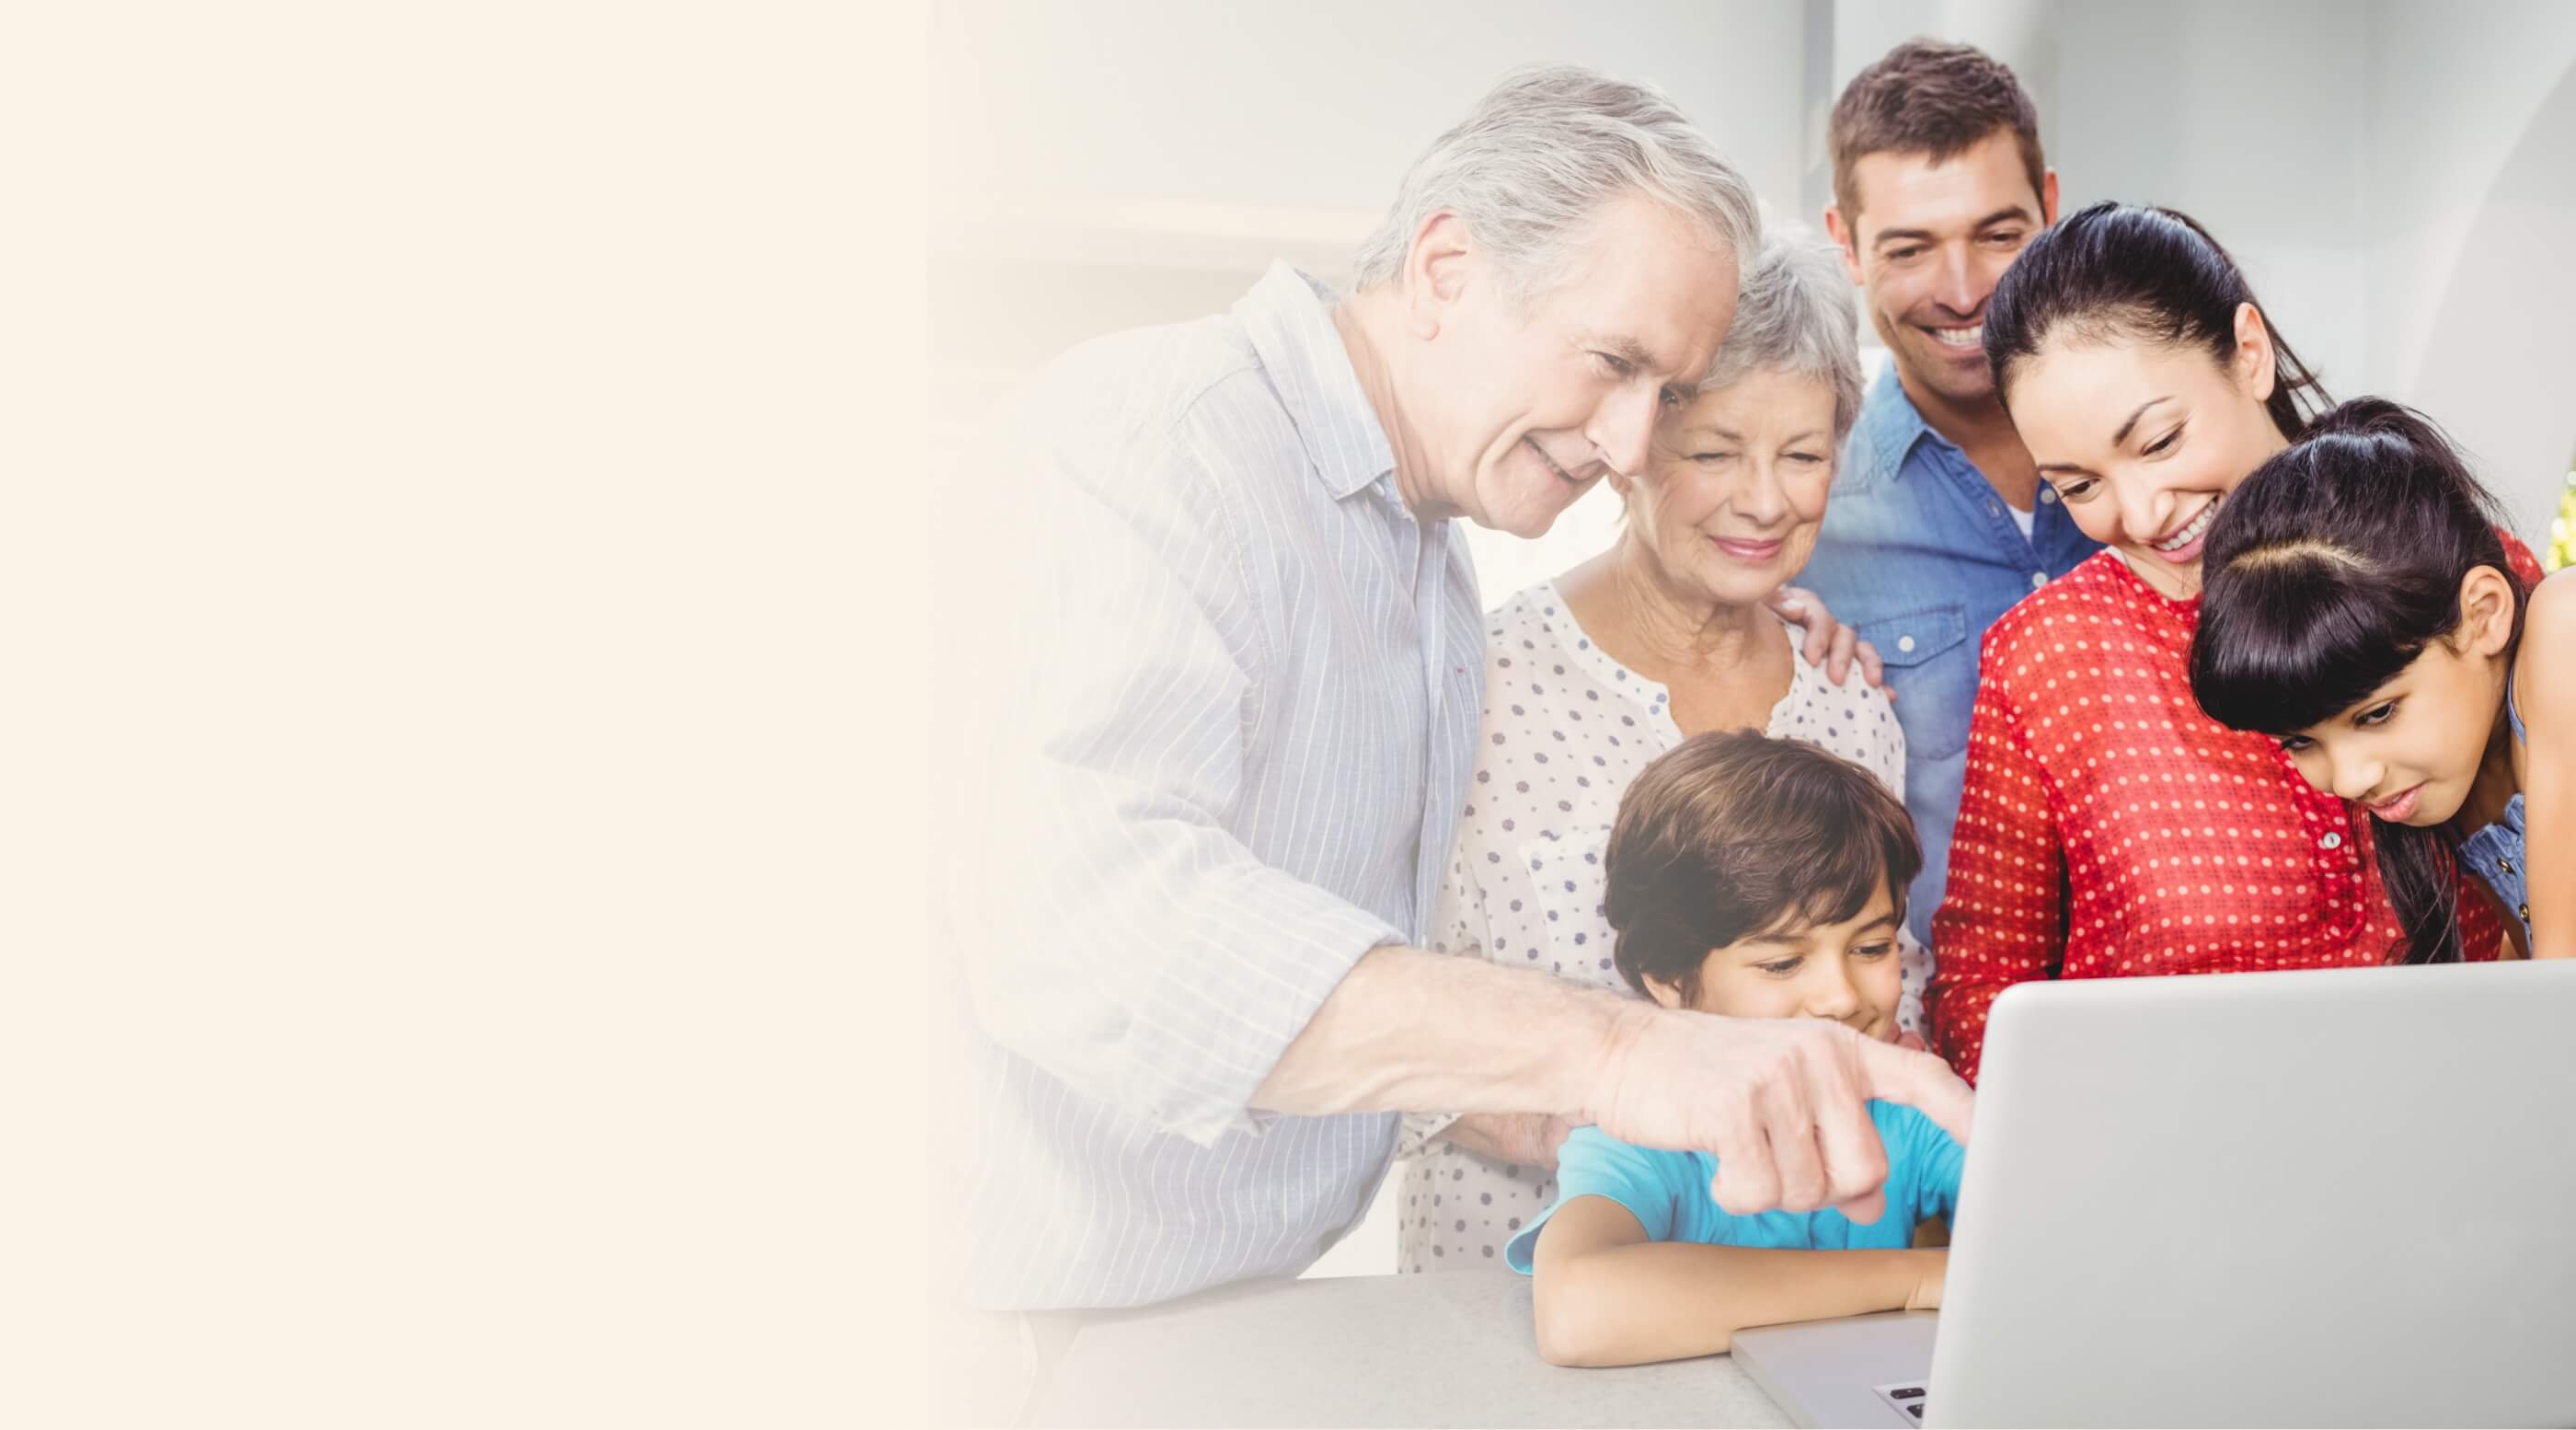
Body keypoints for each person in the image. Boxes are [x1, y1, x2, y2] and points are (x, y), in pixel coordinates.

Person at [940, 64, 1973, 1363]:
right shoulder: (1155, 446)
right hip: (1007, 1325)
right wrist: (1618, 1055)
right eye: (1616, 363)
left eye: (1667, 393)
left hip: (1220, 1305)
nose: (1626, 441)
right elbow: (1088, 930)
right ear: (1444, 269)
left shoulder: (1421, 546)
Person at [1396, 232, 1924, 1271]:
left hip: (1796, 1290)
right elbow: (1369, 1015)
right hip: (1503, 1283)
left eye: (1803, 455)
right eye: (1715, 452)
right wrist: (1637, 1138)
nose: (1765, 500)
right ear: (1627, 452)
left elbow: (1887, 992)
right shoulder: (1474, 687)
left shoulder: (1850, 703)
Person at [1926, 202, 2536, 1081]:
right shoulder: (2047, 659)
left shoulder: (2454, 561)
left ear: (2248, 353)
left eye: (2161, 440)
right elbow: (1984, 988)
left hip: (2466, 1142)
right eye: (2079, 486)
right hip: (2163, 1177)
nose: (2140, 514)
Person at [1512, 732, 1961, 1367]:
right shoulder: (1638, 1132)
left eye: (1871, 948)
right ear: (1667, 977)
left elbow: (2075, 1235)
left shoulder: (1911, 1113)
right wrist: (1913, 1277)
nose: (1839, 998)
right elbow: (1578, 1312)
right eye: (1781, 962)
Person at [1798, 39, 2099, 951]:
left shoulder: (2174, 479)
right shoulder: (1800, 523)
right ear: (1845, 246)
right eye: (1910, 248)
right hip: (1932, 1045)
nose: (1964, 291)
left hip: (2186, 1020)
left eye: (1997, 234)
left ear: (2048, 209)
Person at [2191, 399, 2573, 961]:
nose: (2349, 780)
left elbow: (2558, 997)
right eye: (2300, 741)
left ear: (2485, 615)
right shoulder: (2460, 789)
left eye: (2377, 713)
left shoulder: (2564, 625)